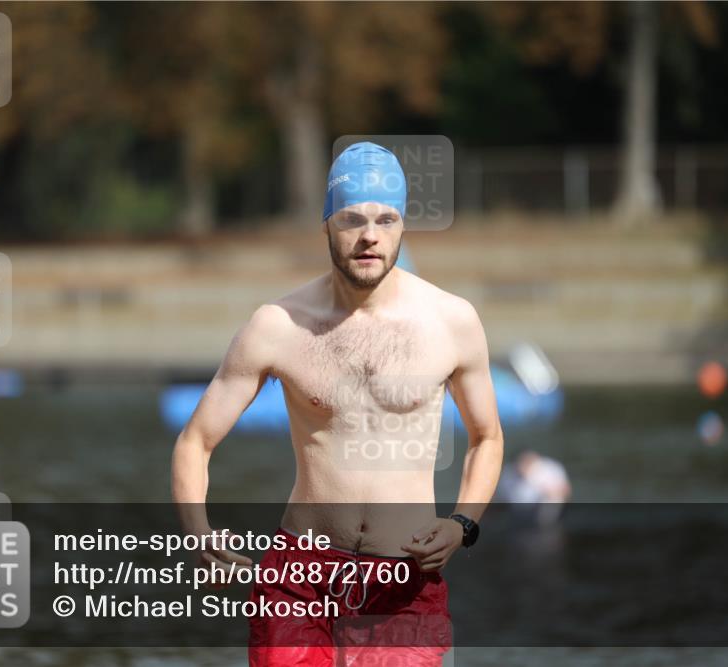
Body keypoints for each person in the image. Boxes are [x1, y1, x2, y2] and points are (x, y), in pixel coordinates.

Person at [171, 142, 504, 666]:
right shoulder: (277, 326)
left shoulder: (451, 321)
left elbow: (487, 438)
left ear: (402, 226)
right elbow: (195, 441)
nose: (370, 235)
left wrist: (462, 525)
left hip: (404, 582)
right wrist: (199, 534)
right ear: (327, 224)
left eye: (386, 219)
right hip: (297, 580)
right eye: (353, 219)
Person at [496, 450, 572, 527]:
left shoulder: (550, 469)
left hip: (545, 513)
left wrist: (547, 490)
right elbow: (500, 497)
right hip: (516, 514)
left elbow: (565, 491)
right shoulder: (508, 473)